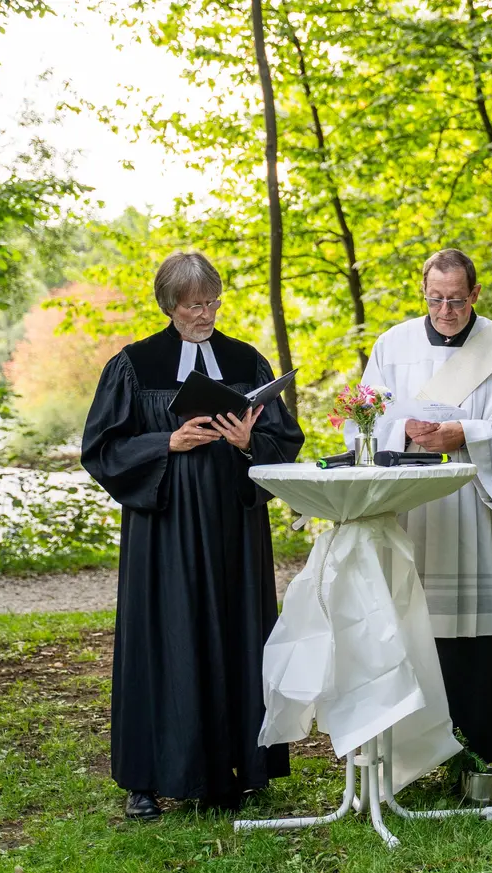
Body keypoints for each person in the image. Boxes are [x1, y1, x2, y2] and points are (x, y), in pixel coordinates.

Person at [82, 251, 305, 819]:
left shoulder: (246, 362)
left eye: (211, 302)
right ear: (169, 306)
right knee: (164, 637)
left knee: (237, 633)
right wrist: (166, 442)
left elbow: (285, 441)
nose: (205, 315)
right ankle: (146, 778)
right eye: (192, 306)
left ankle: (238, 769)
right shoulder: (134, 366)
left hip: (234, 527)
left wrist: (248, 443)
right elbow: (102, 449)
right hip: (165, 530)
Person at [350, 248, 492, 766]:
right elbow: (364, 421)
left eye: (456, 301)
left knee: (476, 629)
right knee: (411, 624)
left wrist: (465, 433)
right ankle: (409, 755)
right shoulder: (393, 345)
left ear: (475, 294)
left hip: (470, 511)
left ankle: (481, 753)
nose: (445, 312)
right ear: (423, 291)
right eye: (435, 299)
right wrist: (402, 431)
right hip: (411, 509)